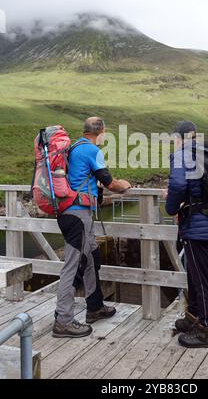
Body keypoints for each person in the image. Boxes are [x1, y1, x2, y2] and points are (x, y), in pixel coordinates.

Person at [53, 117, 131, 338]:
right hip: (77, 214)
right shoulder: (91, 150)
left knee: (90, 258)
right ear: (102, 132)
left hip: (73, 212)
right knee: (72, 266)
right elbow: (111, 183)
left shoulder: (75, 146)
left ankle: (94, 307)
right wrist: (125, 185)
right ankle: (63, 320)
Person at [165, 121, 208, 348]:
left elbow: (178, 185)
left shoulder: (182, 154)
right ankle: (194, 318)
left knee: (201, 277)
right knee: (195, 272)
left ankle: (206, 331)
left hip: (197, 226)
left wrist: (171, 208)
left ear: (180, 137)